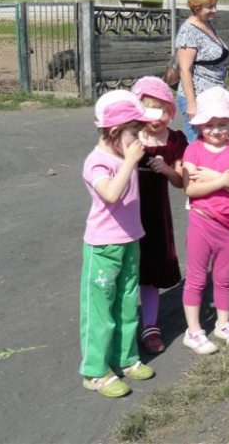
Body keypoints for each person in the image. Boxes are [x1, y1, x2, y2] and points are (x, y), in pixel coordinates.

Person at [80, 90, 161, 397]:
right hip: (103, 247)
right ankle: (96, 371)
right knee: (100, 309)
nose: (140, 138)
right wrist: (129, 160)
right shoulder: (97, 162)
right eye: (134, 132)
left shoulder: (122, 152)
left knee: (128, 303)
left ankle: (125, 359)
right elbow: (111, 194)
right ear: (115, 132)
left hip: (130, 241)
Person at [181, 87, 229, 354]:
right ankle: (194, 330)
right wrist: (222, 180)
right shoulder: (193, 150)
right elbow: (190, 189)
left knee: (224, 277)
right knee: (197, 278)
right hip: (202, 221)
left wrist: (211, 177)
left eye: (222, 124)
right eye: (210, 125)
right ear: (200, 125)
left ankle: (223, 324)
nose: (216, 130)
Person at [130, 77, 187, 354]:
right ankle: (124, 322)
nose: (158, 118)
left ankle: (150, 326)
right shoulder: (127, 135)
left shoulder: (174, 139)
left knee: (150, 270)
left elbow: (181, 182)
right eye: (150, 110)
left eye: (163, 110)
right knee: (127, 268)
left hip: (155, 214)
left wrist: (167, 170)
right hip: (126, 212)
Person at [176, 0, 229, 143]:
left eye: (215, 5)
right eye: (209, 6)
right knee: (199, 144)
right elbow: (184, 70)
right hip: (198, 97)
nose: (214, 10)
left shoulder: (206, 24)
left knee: (217, 142)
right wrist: (191, 104)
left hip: (213, 95)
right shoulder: (189, 31)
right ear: (196, 7)